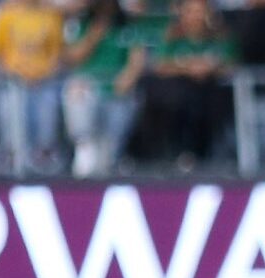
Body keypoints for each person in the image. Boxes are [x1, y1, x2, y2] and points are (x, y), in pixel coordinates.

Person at [143, 0, 235, 170]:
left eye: (200, 11)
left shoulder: (220, 36)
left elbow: (232, 66)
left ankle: (207, 155)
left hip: (211, 96)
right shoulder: (171, 36)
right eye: (191, 11)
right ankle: (178, 154)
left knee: (213, 101)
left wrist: (210, 67)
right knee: (176, 98)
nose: (196, 16)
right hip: (177, 100)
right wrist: (186, 67)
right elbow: (159, 66)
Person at [62, 0, 148, 178]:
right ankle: (84, 146)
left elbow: (137, 59)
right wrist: (95, 34)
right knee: (77, 92)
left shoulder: (129, 26)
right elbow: (73, 58)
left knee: (128, 98)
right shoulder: (81, 24)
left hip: (117, 85)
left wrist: (128, 77)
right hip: (88, 84)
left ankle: (112, 153)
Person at [0, 0, 67, 175]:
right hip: (13, 81)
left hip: (44, 82)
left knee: (48, 103)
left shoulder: (51, 14)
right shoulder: (6, 13)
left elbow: (58, 54)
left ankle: (44, 155)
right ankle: (11, 157)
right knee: (8, 104)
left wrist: (41, 75)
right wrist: (16, 75)